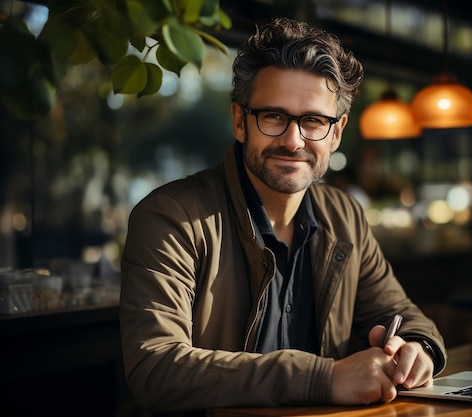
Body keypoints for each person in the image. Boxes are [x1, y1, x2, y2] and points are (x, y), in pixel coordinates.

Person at [118, 17, 447, 415]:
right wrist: (323, 378)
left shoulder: (345, 216)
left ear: (337, 132)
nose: (293, 141)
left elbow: (402, 315)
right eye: (273, 117)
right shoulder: (170, 217)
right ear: (240, 121)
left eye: (313, 121)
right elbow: (156, 368)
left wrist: (418, 348)